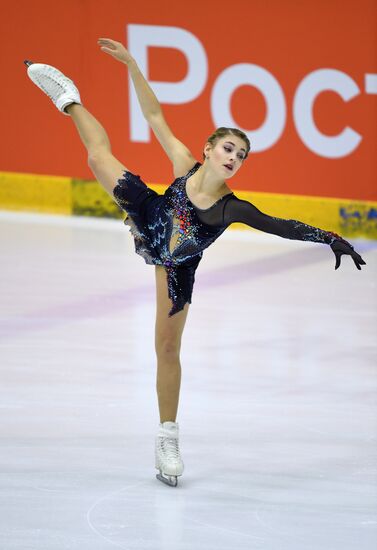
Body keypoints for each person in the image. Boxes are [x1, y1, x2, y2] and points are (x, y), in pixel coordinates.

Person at [25, 38, 366, 487]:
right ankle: (68, 99)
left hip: (178, 266)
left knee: (167, 349)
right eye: (228, 149)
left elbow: (280, 225)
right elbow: (154, 117)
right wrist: (130, 63)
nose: (234, 159)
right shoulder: (186, 164)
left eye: (241, 156)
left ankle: (167, 437)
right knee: (98, 157)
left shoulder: (231, 208)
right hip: (150, 215)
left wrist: (330, 237)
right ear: (207, 150)